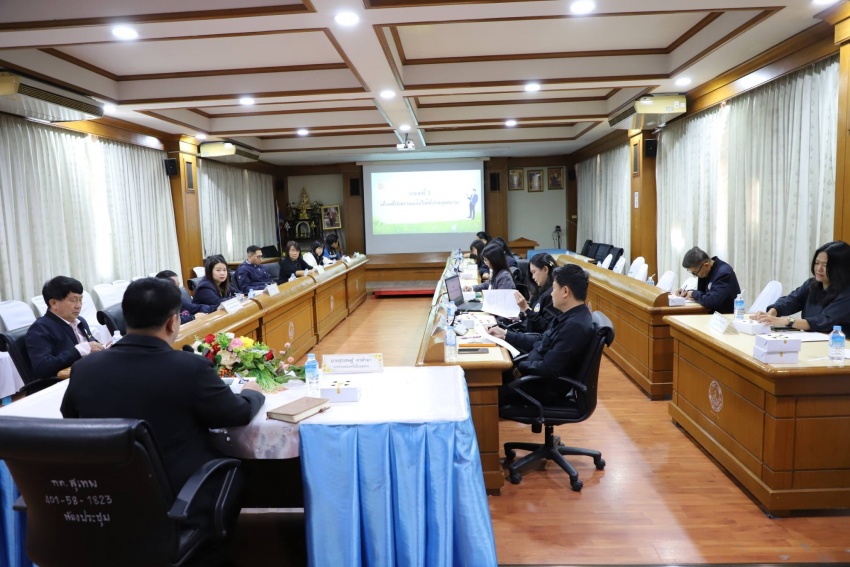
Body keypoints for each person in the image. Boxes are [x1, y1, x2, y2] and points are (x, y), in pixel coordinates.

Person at [60, 277, 265, 490]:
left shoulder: (84, 369)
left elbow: (71, 421)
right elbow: (236, 414)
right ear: (172, 321)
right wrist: (252, 392)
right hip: (182, 492)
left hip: (107, 492)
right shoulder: (190, 368)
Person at [487, 264, 595, 404]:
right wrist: (506, 334)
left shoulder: (574, 326)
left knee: (487, 392)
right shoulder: (570, 316)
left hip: (541, 389)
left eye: (554, 288)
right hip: (534, 377)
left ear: (565, 291)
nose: (551, 293)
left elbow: (549, 368)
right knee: (495, 375)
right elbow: (541, 339)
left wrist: (520, 367)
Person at [753, 240, 850, 332]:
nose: (819, 268)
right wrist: (772, 312)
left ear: (841, 268)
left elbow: (824, 321)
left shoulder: (847, 292)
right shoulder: (811, 284)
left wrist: (788, 321)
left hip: (838, 342)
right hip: (812, 339)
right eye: (817, 263)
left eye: (825, 265)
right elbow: (791, 300)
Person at [26, 276, 104, 380]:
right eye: (73, 300)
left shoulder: (80, 321)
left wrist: (103, 348)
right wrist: (80, 350)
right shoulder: (40, 329)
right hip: (67, 382)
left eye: (80, 300)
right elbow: (43, 367)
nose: (79, 305)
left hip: (89, 373)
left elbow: (91, 344)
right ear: (54, 303)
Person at [676, 246, 741, 313]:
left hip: (725, 317)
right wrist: (687, 292)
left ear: (706, 265)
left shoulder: (724, 273)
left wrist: (693, 293)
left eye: (695, 272)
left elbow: (711, 301)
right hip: (712, 315)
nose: (696, 275)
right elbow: (703, 294)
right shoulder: (707, 271)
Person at [515, 253, 558, 333]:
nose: (532, 277)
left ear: (545, 269)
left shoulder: (553, 294)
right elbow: (533, 315)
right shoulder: (541, 290)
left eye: (534, 272)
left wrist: (526, 309)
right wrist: (518, 317)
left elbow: (545, 327)